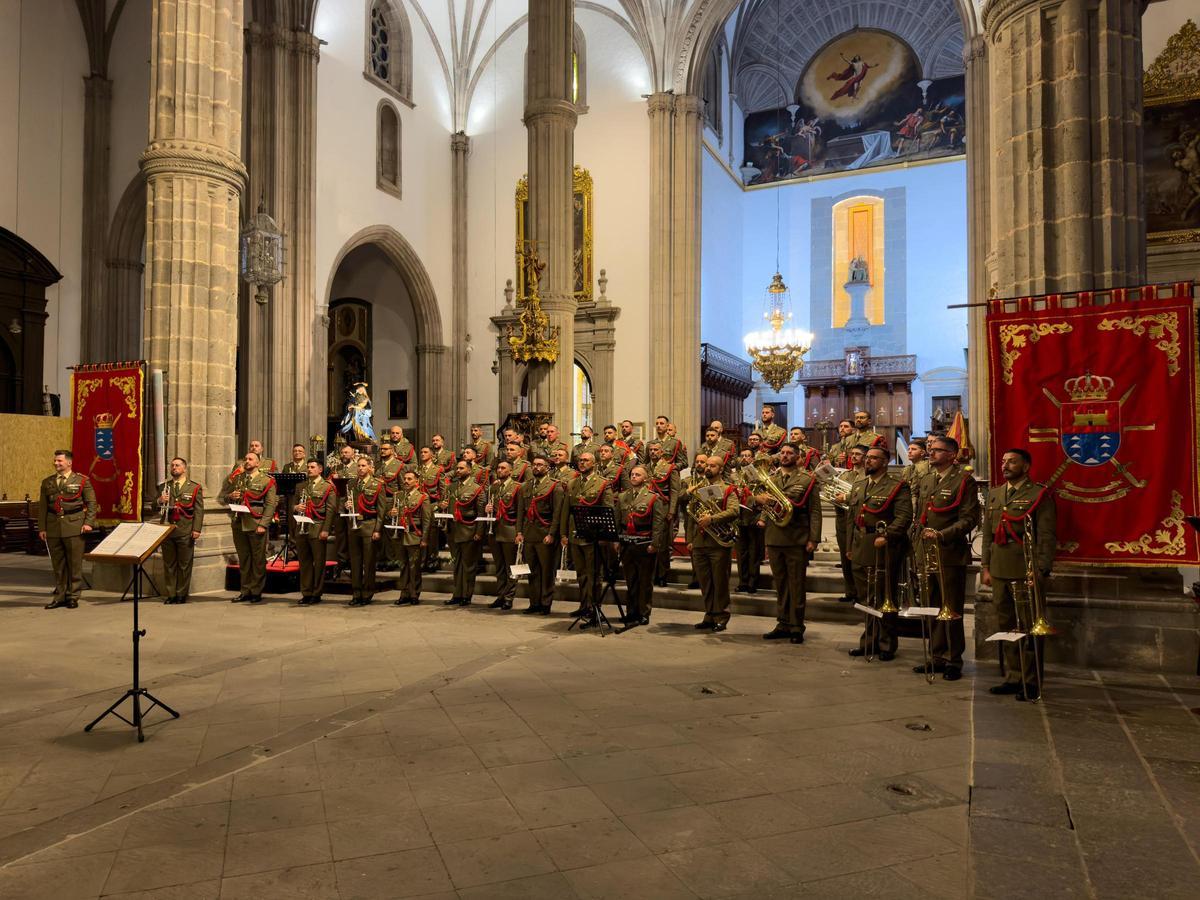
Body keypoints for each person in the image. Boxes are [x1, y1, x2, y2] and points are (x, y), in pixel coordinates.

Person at [981, 447, 1056, 701]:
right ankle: (1013, 677)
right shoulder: (994, 494)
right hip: (1000, 569)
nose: (1005, 465)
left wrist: (1041, 568)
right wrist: (985, 567)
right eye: (1003, 461)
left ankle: (1032, 681)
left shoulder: (1038, 494)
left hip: (1026, 569)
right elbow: (988, 535)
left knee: (1029, 626)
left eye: (1012, 461)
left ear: (1026, 466)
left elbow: (1046, 536)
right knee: (1007, 626)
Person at [913, 436, 980, 681]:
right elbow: (921, 516)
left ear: (952, 455)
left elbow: (969, 518)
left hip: (949, 552)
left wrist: (942, 534)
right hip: (926, 552)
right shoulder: (927, 479)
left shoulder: (964, 481)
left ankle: (953, 659)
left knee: (950, 608)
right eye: (931, 450)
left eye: (938, 450)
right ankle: (937, 655)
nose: (932, 453)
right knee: (931, 606)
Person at [846, 446, 912, 660]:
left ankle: (886, 643)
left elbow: (904, 517)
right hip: (860, 545)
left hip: (883, 546)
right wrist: (849, 546)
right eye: (868, 458)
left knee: (885, 596)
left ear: (885, 462)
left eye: (874, 458)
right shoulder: (859, 484)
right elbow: (852, 519)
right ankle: (869, 641)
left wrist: (888, 536)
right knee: (865, 597)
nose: (869, 461)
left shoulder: (897, 486)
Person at [757, 443, 822, 643]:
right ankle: (782, 623)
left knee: (796, 584)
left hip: (796, 539)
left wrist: (813, 538)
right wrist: (758, 502)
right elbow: (767, 505)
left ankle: (796, 626)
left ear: (798, 457)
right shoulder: (772, 478)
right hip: (775, 537)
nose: (785, 456)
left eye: (789, 453)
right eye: (783, 453)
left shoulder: (807, 479)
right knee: (781, 584)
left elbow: (815, 511)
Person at [38, 450, 98, 610]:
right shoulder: (47, 482)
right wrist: (42, 528)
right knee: (58, 565)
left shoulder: (82, 480)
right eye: (55, 461)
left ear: (69, 463)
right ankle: (60, 596)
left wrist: (88, 523)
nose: (56, 463)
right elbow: (43, 507)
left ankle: (73, 596)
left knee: (74, 563)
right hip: (53, 527)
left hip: (75, 526)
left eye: (59, 461)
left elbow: (92, 503)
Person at [686, 455, 739, 632]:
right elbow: (692, 515)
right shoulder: (699, 488)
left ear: (721, 469)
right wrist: (691, 540)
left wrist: (712, 519)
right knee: (705, 582)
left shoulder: (728, 489)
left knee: (720, 582)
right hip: (700, 542)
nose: (708, 468)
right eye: (706, 465)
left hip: (718, 542)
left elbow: (733, 511)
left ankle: (722, 616)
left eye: (712, 466)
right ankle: (709, 614)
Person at [219, 450, 278, 604]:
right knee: (244, 559)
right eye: (245, 459)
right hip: (239, 523)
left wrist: (264, 524)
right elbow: (224, 497)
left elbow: (271, 504)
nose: (247, 461)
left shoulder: (266, 480)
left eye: (251, 459)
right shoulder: (238, 478)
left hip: (255, 522)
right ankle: (245, 590)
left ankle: (256, 591)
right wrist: (230, 497)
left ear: (258, 463)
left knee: (258, 559)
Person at [562, 451, 613, 626]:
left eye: (585, 460)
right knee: (581, 574)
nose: (581, 463)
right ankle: (584, 605)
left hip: (593, 537)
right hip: (575, 535)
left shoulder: (602, 483)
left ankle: (594, 608)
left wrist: (604, 536)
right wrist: (564, 534)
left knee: (593, 575)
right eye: (580, 460)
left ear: (594, 463)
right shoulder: (572, 483)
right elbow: (566, 511)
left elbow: (608, 509)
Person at [616, 465, 668, 627]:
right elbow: (618, 520)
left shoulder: (653, 498)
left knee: (645, 581)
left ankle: (644, 613)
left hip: (644, 543)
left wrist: (655, 543)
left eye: (638, 475)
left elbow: (658, 523)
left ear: (645, 478)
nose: (633, 477)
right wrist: (617, 540)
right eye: (632, 474)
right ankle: (631, 612)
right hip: (627, 542)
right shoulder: (623, 496)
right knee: (631, 580)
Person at [516, 454, 563, 615]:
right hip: (529, 534)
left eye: (540, 465)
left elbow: (557, 513)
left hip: (545, 534)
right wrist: (519, 532)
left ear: (547, 468)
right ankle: (534, 602)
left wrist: (552, 534)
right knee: (532, 571)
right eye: (534, 465)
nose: (536, 467)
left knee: (546, 571)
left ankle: (545, 603)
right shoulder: (525, 486)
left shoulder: (554, 486)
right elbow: (521, 512)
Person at [157, 456, 204, 604]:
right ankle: (171, 594)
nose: (174, 468)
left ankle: (181, 594)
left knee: (184, 564)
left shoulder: (194, 487)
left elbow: (199, 510)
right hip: (167, 530)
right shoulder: (164, 486)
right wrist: (159, 501)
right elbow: (154, 507)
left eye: (177, 465)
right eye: (172, 466)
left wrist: (196, 529)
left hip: (185, 530)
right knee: (169, 564)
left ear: (184, 468)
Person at [441, 459, 487, 606]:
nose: (458, 471)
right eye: (457, 468)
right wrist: (442, 506)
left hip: (469, 530)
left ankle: (467, 595)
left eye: (461, 468)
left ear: (469, 470)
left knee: (468, 566)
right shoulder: (452, 486)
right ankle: (457, 594)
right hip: (453, 530)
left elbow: (481, 513)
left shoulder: (476, 488)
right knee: (457, 565)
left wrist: (479, 531)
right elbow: (448, 506)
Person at [294, 458, 336, 605]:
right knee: (304, 562)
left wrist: (326, 529)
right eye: (308, 467)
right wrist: (296, 508)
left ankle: (316, 593)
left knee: (318, 562)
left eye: (312, 467)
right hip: (302, 526)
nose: (309, 469)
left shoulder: (327, 487)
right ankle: (306, 592)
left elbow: (330, 510)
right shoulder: (301, 486)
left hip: (317, 526)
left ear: (320, 470)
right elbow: (293, 504)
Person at [345, 456, 384, 606]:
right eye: (358, 466)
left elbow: (381, 510)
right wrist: (346, 506)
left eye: (363, 466)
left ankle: (367, 593)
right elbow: (345, 502)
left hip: (369, 524)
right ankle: (356, 593)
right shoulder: (352, 483)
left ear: (369, 467)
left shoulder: (377, 485)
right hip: (354, 525)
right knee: (355, 562)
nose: (360, 468)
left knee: (368, 562)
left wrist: (377, 529)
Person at [392, 470, 433, 606]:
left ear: (417, 481)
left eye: (410, 479)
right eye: (405, 478)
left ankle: (414, 593)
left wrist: (425, 538)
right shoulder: (398, 495)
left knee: (414, 567)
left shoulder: (423, 497)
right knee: (403, 566)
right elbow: (393, 513)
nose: (406, 481)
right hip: (401, 534)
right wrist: (391, 513)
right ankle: (404, 593)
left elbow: (427, 519)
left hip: (415, 535)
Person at [486, 459, 521, 610]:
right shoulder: (494, 488)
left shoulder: (518, 488)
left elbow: (520, 512)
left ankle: (509, 597)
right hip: (495, 530)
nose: (499, 470)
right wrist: (488, 508)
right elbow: (493, 507)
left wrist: (519, 532)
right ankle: (501, 595)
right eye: (498, 468)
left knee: (510, 567)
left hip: (509, 530)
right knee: (499, 567)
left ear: (510, 471)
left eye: (503, 468)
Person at [647, 440, 682, 587]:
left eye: (656, 450)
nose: (653, 452)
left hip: (663, 508)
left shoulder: (670, 468)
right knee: (650, 542)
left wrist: (672, 510)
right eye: (651, 450)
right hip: (647, 509)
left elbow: (675, 491)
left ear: (662, 452)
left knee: (662, 544)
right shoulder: (644, 468)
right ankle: (651, 575)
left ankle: (662, 575)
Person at [834, 446, 866, 603]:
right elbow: (833, 493)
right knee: (845, 557)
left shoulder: (868, 475)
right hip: (843, 519)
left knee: (859, 558)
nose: (853, 457)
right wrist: (836, 498)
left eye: (858, 454)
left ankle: (862, 594)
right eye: (852, 454)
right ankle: (850, 591)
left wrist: (847, 496)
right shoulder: (844, 475)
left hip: (860, 520)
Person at [732, 448, 764, 594]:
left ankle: (753, 582)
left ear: (753, 458)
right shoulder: (733, 476)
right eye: (742, 455)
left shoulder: (760, 475)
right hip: (739, 518)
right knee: (741, 553)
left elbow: (764, 498)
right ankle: (742, 581)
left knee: (753, 552)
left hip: (754, 517)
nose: (744, 458)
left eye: (748, 456)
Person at [416, 446, 446, 572]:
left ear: (432, 455)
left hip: (432, 504)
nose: (422, 454)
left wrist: (441, 504)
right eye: (421, 452)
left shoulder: (438, 469)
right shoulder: (418, 469)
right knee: (421, 533)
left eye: (425, 452)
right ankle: (422, 561)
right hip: (419, 505)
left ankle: (432, 561)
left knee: (432, 535)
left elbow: (442, 488)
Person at [377, 440, 405, 571]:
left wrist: (397, 506)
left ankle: (391, 560)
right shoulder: (378, 465)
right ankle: (381, 559)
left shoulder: (398, 465)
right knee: (379, 532)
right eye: (381, 449)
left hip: (390, 501)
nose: (382, 451)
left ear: (392, 451)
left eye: (385, 449)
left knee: (390, 533)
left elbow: (403, 488)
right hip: (378, 502)